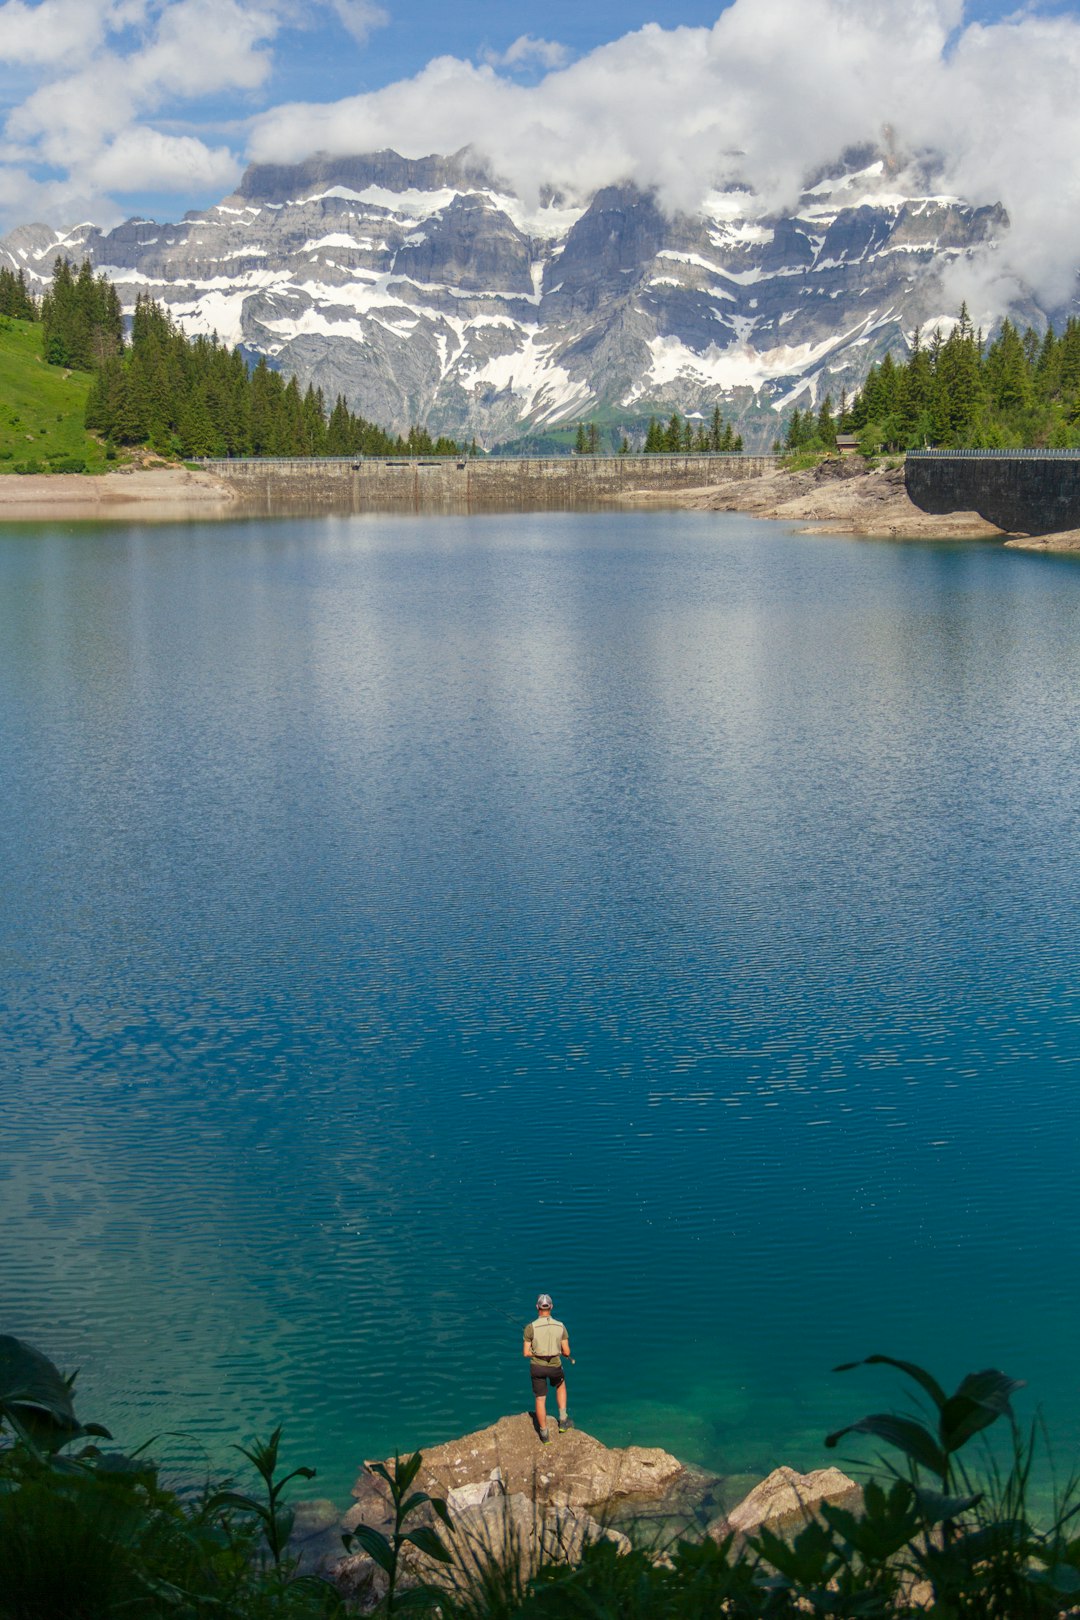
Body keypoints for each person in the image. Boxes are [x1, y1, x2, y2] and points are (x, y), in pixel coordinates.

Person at [523, 1293, 571, 1442]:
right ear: (551, 1307)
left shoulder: (530, 1327)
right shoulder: (560, 1326)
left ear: (537, 1307)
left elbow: (526, 1353)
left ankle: (544, 1434)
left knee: (540, 1398)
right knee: (560, 1385)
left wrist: (538, 1352)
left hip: (537, 1366)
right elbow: (567, 1352)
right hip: (555, 1366)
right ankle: (563, 1420)